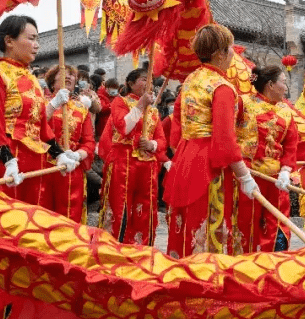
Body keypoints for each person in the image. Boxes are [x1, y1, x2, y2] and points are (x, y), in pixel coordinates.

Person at [0, 15, 80, 319]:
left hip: (33, 167)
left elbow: (40, 128)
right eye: (31, 38)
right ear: (9, 41)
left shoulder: (29, 78)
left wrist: (58, 152)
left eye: (38, 39)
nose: (36, 45)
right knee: (2, 245)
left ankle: (13, 315)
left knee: (28, 244)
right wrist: (6, 158)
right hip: (8, 169)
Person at [163, 23, 257, 258]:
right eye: (230, 48)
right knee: (209, 229)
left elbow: (176, 125)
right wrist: (244, 175)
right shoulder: (222, 87)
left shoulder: (189, 81)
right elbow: (224, 139)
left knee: (186, 227)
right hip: (208, 164)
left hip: (184, 159)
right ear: (220, 53)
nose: (233, 54)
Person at [236, 65, 298, 252]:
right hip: (246, 176)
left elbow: (291, 144)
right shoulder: (243, 103)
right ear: (271, 84)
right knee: (246, 223)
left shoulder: (287, 111)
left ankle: (274, 268)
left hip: (275, 181)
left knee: (276, 224)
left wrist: (286, 171)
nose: (286, 88)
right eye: (283, 82)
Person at [101, 67, 167, 245]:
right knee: (120, 207)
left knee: (145, 209)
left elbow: (161, 140)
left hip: (147, 167)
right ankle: (116, 246)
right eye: (144, 79)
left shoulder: (153, 112)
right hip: (124, 162)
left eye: (150, 80)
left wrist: (152, 145)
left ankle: (142, 248)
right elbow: (124, 127)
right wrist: (139, 106)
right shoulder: (119, 102)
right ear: (130, 83)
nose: (149, 84)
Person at [43, 64, 97, 223]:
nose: (68, 76)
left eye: (72, 74)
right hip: (45, 168)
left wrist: (78, 154)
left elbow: (89, 141)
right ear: (52, 82)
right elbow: (34, 127)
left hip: (72, 168)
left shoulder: (82, 109)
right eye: (63, 73)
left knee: (70, 217)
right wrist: (53, 105)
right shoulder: (41, 103)